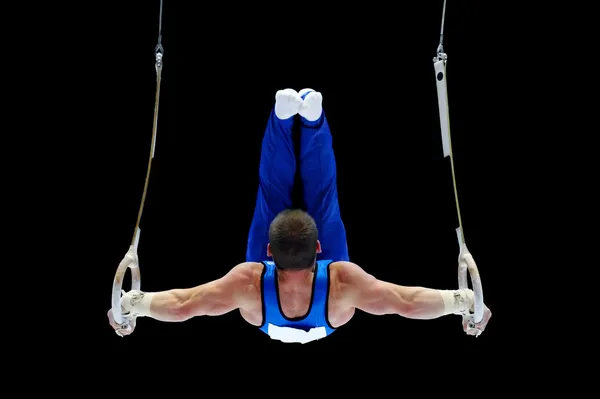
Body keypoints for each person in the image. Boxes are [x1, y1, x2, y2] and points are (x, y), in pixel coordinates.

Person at [108, 88, 492, 343]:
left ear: (268, 253)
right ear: (320, 249)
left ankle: (298, 116)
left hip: (300, 307)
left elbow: (183, 305)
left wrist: (131, 306)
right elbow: (405, 303)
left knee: (312, 195)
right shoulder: (340, 281)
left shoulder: (250, 282)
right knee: (293, 194)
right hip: (322, 305)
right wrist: (461, 302)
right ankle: (298, 116)